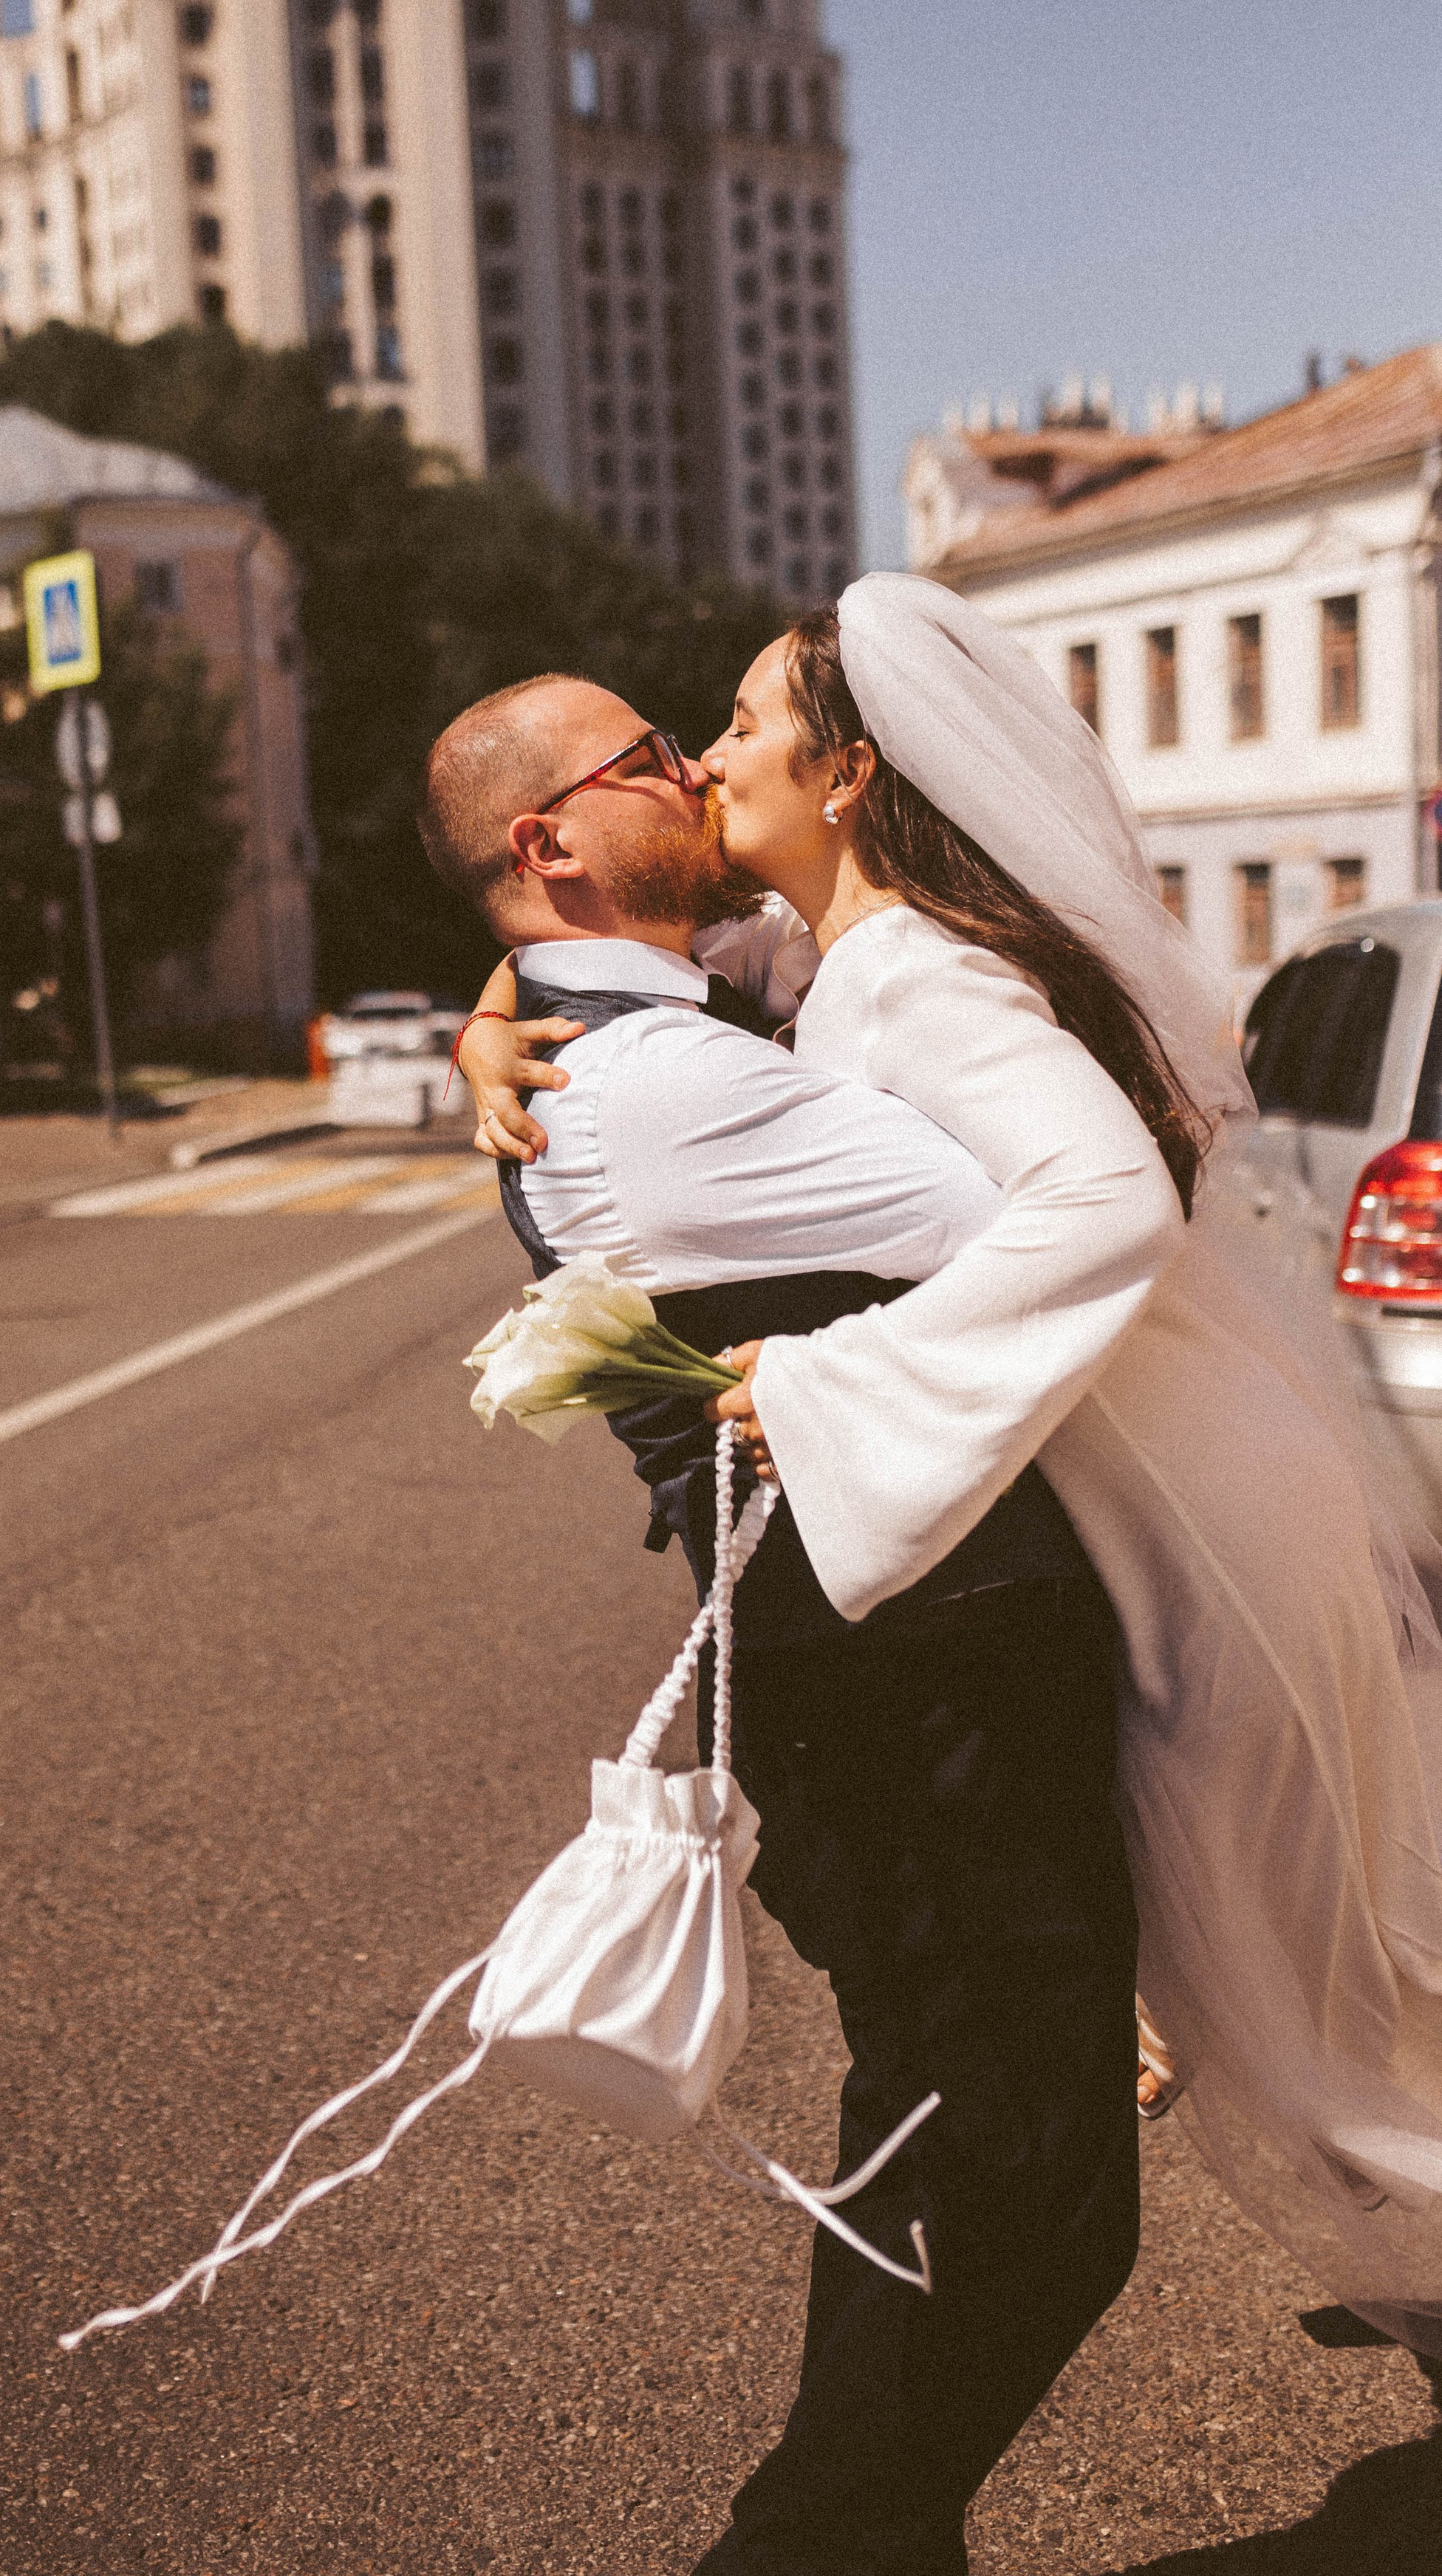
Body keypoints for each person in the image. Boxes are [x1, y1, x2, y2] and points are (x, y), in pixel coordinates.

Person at [461, 580, 1442, 2380]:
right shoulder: (845, 966)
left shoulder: (914, 976)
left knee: (1317, 2019)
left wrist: (836, 1380)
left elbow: (1105, 1203)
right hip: (1148, 1509)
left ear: (844, 780)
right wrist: (501, 997)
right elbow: (626, 965)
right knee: (1309, 2000)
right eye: (673, 746)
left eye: (740, 727)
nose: (705, 759)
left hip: (1194, 1533)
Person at [419, 673, 1147, 2576]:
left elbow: (736, 964)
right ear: (547, 841)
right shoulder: (663, 1086)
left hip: (885, 1674)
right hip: (911, 1687)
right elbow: (1027, 1202)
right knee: (1017, 2174)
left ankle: (865, 2538)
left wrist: (485, 1008)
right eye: (646, 756)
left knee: (950, 2115)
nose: (690, 760)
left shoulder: (640, 1028)